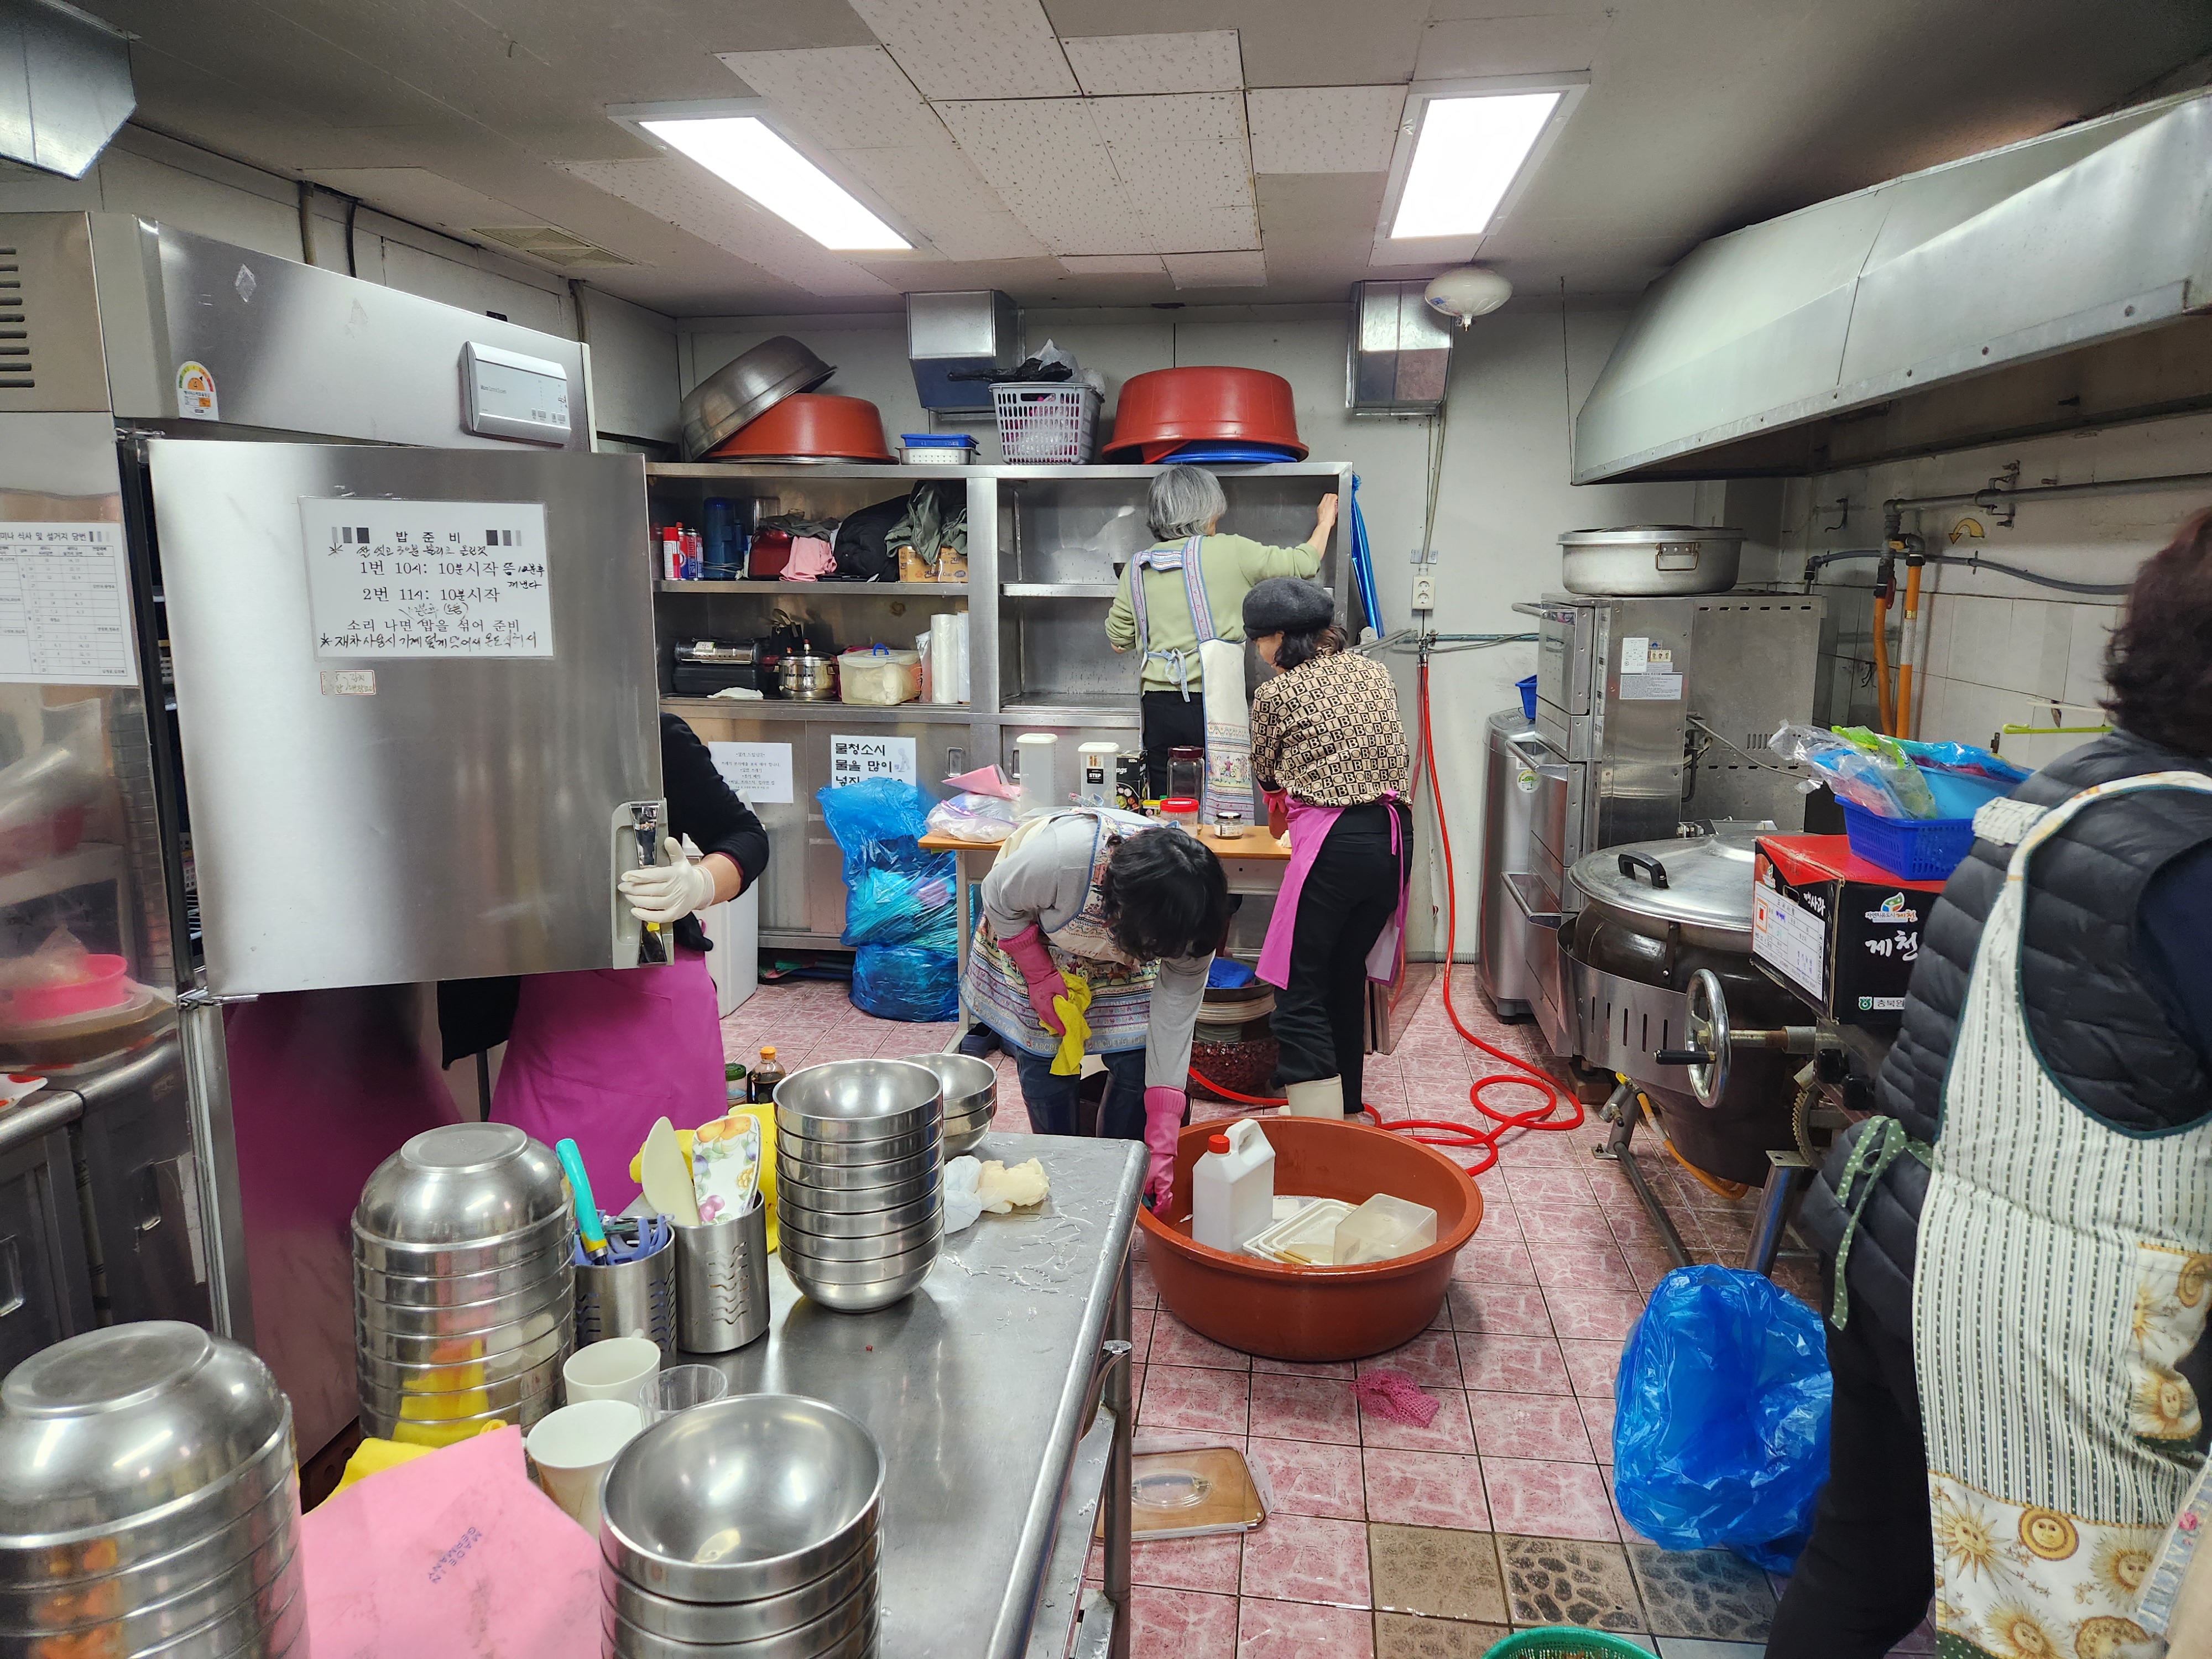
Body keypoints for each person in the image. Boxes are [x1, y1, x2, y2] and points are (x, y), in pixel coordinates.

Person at [1771, 507, 2212, 1659]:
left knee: (1862, 1568)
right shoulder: (2190, 852)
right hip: (2049, 1323)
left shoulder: (2070, 788)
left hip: (1892, 1245)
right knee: (2059, 1626)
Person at [439, 711, 768, 1208]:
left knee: (669, 1208)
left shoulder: (648, 736)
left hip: (651, 1004)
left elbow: (746, 836)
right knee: (543, 1208)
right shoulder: (486, 740)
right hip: (550, 1012)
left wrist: (699, 884)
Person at [963, 808, 1228, 1204]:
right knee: (1046, 1058)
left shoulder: (1191, 922)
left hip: (1134, 940)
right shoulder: (1063, 860)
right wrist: (1037, 973)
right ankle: (1060, 1171)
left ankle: (1116, 1173)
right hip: (1029, 934)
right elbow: (998, 895)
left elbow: (1172, 1023)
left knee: (1137, 1059)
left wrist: (1162, 1137)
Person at [1243, 577, 1411, 1118]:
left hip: (1336, 847)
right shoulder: (1372, 671)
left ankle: (1317, 1127)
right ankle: (1346, 1109)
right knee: (1342, 975)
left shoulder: (1275, 694)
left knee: (1298, 993)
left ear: (1278, 639)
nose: (1259, 653)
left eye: (1258, 641)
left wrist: (1280, 797)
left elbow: (1267, 773)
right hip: (1393, 839)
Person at [1105, 465, 1337, 799]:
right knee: (1223, 804)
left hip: (1157, 705)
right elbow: (1304, 565)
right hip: (1214, 700)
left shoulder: (1136, 566)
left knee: (1165, 800)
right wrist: (1325, 522)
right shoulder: (1232, 551)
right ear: (1205, 509)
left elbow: (1118, 642)